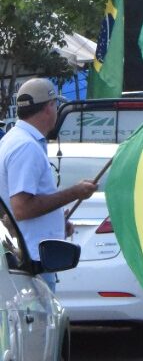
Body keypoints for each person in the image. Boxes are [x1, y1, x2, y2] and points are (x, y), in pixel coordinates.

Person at [0, 78, 98, 291]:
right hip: (30, 265)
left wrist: (54, 221)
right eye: (55, 105)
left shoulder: (17, 140)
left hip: (25, 261)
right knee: (41, 324)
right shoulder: (25, 146)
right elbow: (22, 208)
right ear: (48, 108)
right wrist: (75, 192)